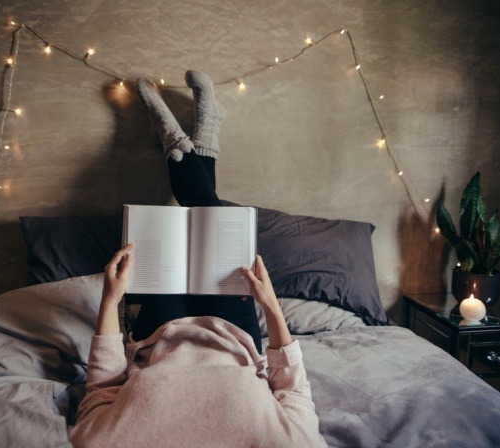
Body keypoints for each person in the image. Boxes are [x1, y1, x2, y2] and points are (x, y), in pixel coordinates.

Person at [69, 71, 326, 448]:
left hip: (157, 333)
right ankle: (185, 144)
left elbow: (101, 391)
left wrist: (111, 298)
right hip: (233, 334)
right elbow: (293, 388)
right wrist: (269, 303)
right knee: (213, 222)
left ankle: (192, 144)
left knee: (196, 218)